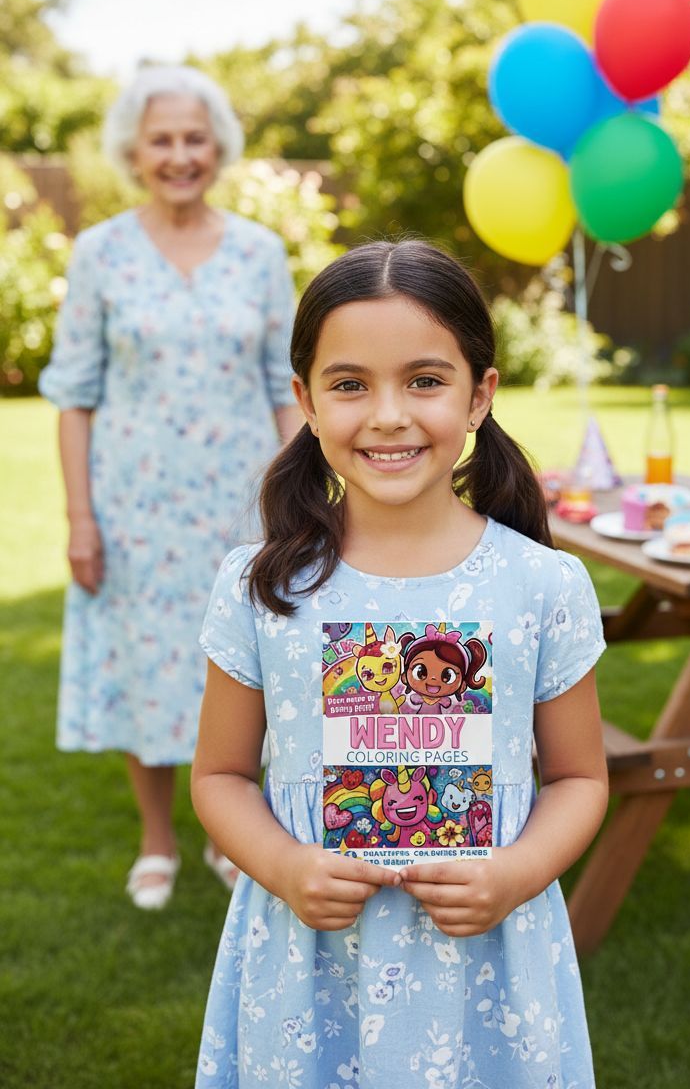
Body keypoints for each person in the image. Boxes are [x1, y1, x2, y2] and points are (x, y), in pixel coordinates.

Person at [191, 239, 609, 1088]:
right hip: (309, 965)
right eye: (350, 385)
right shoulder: (259, 585)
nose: (388, 415)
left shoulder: (543, 585)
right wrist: (285, 866)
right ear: (306, 401)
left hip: (489, 960)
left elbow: (581, 779)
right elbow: (220, 776)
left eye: (424, 380)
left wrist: (514, 874)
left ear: (480, 394)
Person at [39, 64, 302, 910]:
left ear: (217, 146)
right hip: (134, 506)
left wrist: (301, 503)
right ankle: (158, 840)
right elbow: (73, 396)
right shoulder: (100, 252)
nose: (180, 154)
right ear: (134, 151)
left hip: (240, 505)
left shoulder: (261, 252)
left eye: (195, 138)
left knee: (244, 671)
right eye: (163, 139)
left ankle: (234, 837)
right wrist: (82, 519)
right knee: (147, 671)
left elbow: (284, 389)